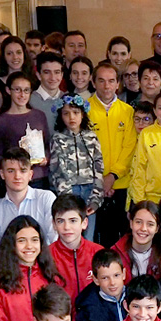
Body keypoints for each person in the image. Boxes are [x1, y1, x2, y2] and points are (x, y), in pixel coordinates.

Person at [0, 215, 62, 321]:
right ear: (11, 245)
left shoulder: (51, 277)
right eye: (21, 241)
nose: (29, 246)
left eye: (34, 240)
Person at [0, 148, 57, 272]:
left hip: (44, 272)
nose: (17, 176)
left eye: (23, 170)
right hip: (8, 276)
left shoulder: (46, 199)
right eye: (11, 171)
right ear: (2, 174)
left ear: (30, 174)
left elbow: (54, 242)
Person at [88, 63, 137, 247]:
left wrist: (113, 175)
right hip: (93, 186)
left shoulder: (128, 111)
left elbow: (130, 147)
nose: (106, 86)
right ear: (93, 82)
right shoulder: (84, 110)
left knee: (123, 238)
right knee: (96, 238)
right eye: (101, 81)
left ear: (118, 84)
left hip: (122, 185)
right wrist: (101, 179)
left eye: (111, 81)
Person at [49, 98, 104, 241]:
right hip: (70, 191)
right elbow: (57, 170)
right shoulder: (57, 139)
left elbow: (98, 168)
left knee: (88, 237)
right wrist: (67, 198)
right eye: (66, 113)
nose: (71, 117)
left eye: (75, 112)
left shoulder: (91, 137)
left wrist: (96, 198)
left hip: (90, 191)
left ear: (83, 114)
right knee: (71, 235)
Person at [49, 194, 102, 308]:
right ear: (54, 224)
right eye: (60, 221)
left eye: (73, 221)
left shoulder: (98, 253)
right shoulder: (46, 256)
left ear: (84, 223)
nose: (67, 227)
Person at [74, 249, 127, 321]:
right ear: (96, 280)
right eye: (105, 278)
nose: (112, 282)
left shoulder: (135, 297)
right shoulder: (87, 310)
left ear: (124, 274)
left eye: (116, 275)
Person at [0, 37, 38, 112]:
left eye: (19, 52)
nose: (15, 57)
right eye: (9, 53)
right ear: (3, 56)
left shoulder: (33, 78)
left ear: (24, 54)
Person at [113, 201, 161, 279]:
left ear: (157, 228)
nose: (143, 228)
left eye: (150, 224)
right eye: (138, 222)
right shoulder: (114, 253)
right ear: (131, 224)